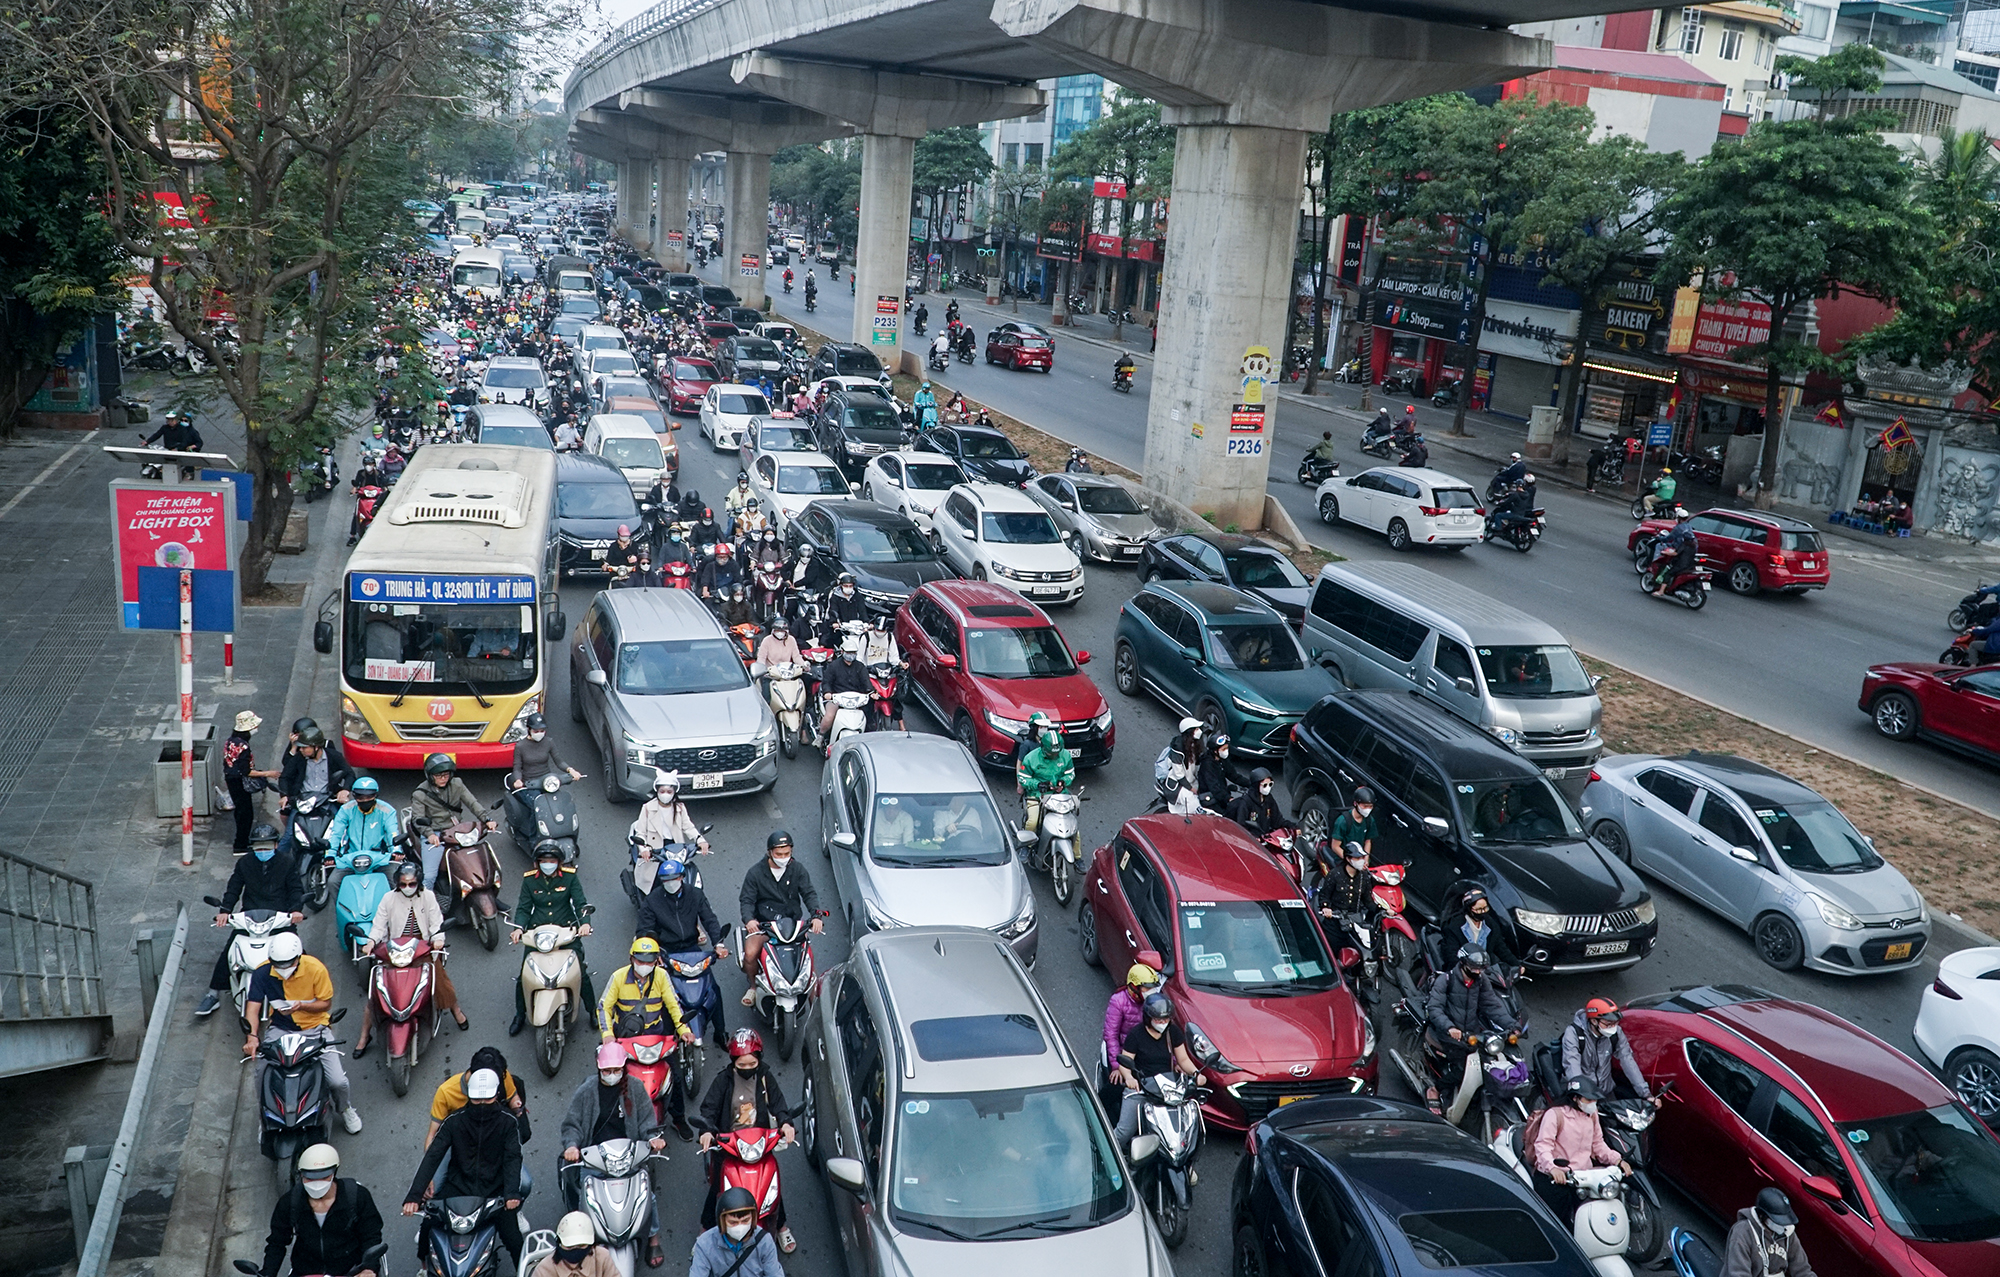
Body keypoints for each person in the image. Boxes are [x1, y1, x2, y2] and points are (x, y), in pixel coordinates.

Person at [403, 1067, 525, 1267]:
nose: (482, 1104)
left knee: (514, 1240)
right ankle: (425, 1267)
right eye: (477, 1100)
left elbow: (513, 1158)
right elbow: (433, 1155)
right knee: (427, 1229)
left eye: (487, 1099)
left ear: (496, 1095)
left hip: (495, 1191)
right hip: (458, 1187)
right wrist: (414, 1196)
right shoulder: (453, 1121)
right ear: (469, 1096)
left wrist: (511, 1193)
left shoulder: (508, 1122)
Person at [561, 1042, 668, 1267]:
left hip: (629, 1154)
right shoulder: (586, 1090)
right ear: (598, 1069)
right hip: (595, 1157)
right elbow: (572, 1124)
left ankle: (653, 1237)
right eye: (607, 1071)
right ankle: (585, 1240)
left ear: (624, 1068)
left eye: (616, 1070)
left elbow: (648, 1123)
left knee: (647, 1196)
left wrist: (652, 1140)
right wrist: (572, 1146)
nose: (612, 1075)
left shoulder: (636, 1088)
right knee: (586, 1198)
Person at [244, 932, 362, 1133]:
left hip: (315, 1029)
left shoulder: (315, 969)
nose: (282, 969)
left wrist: (300, 1007)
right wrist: (252, 1037)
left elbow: (325, 1004)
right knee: (261, 1074)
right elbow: (253, 1008)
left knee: (337, 1080)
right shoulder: (262, 972)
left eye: (287, 964)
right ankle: (266, 1116)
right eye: (277, 964)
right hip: (280, 1030)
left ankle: (344, 1108)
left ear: (298, 958)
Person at [353, 862, 468, 1058]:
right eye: (403, 884)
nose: (407, 888)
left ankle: (456, 1011)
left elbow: (435, 922)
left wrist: (437, 940)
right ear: (398, 883)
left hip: (421, 951)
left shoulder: (428, 897)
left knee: (441, 982)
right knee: (377, 994)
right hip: (394, 951)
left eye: (412, 884)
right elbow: (379, 924)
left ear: (419, 883)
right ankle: (364, 1036)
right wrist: (371, 941)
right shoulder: (388, 899)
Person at [696, 1029, 797, 1250]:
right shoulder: (723, 1080)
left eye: (752, 1064)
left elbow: (779, 1104)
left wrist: (786, 1123)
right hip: (730, 1145)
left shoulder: (765, 1077)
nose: (747, 1069)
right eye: (741, 1066)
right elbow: (709, 1109)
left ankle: (780, 1227)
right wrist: (706, 1131)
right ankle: (705, 1231)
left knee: (771, 1187)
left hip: (760, 1143)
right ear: (733, 1063)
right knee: (718, 1189)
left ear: (759, 1061)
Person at [196, 824, 306, 1017]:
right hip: (250, 916)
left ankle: (304, 993)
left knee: (299, 954)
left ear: (276, 845)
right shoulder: (245, 863)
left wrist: (296, 911)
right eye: (258, 847)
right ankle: (213, 994)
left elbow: (296, 889)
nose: (263, 851)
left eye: (267, 846)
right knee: (230, 951)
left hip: (279, 918)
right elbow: (234, 888)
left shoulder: (287, 862)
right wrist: (225, 911)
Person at [258, 1143, 382, 1277]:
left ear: (334, 1172)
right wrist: (268, 1273)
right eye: (310, 1178)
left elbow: (371, 1235)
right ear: (301, 1175)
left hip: (350, 1270)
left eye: (324, 1177)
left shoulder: (357, 1196)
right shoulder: (289, 1202)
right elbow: (277, 1242)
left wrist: (369, 1268)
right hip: (307, 1270)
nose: (317, 1183)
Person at [509, 848, 597, 1036]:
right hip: (538, 933)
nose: (547, 864)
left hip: (565, 930)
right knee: (524, 974)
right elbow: (524, 908)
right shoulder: (530, 880)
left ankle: (593, 1011)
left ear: (559, 862)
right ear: (537, 863)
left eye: (551, 861)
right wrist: (518, 928)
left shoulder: (570, 877)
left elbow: (581, 903)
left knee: (580, 971)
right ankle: (520, 1014)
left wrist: (585, 925)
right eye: (543, 861)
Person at [1422, 946, 1514, 1116]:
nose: (1478, 972)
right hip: (1448, 1033)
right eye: (1474, 968)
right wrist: (1450, 1027)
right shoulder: (1446, 980)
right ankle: (1435, 1089)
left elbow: (1492, 1006)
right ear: (1463, 963)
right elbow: (1435, 1008)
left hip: (1471, 1033)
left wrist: (1511, 1025)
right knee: (1464, 1066)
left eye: (1481, 969)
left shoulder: (1481, 981)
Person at [736, 831, 821, 1005]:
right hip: (765, 926)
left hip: (792, 925)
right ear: (769, 853)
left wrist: (816, 916)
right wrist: (750, 920)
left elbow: (809, 894)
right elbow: (747, 900)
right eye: (779, 854)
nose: (783, 858)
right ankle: (753, 986)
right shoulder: (755, 873)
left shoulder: (797, 869)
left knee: (807, 957)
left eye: (787, 854)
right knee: (750, 955)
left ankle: (813, 994)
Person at [1530, 1076, 1628, 1225]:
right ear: (1575, 1098)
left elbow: (1598, 1144)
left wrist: (1617, 1160)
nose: (1592, 1104)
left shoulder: (1592, 1115)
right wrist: (1553, 1168)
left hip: (1584, 1177)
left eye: (1594, 1100)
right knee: (1556, 1223)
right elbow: (1543, 1145)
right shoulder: (1555, 1115)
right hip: (1558, 1177)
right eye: (1588, 1100)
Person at [1112, 993, 1201, 1149]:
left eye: (1166, 1019)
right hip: (1141, 1088)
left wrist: (1196, 1074)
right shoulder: (1136, 1034)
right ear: (1148, 1018)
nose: (1163, 1023)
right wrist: (1129, 1078)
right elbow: (1126, 1062)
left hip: (1167, 1089)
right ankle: (1106, 1157)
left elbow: (1184, 1060)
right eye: (1159, 1020)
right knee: (1124, 1132)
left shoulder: (1172, 1032)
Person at [408, 753, 499, 893]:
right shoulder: (420, 794)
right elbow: (417, 819)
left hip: (457, 830)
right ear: (430, 775)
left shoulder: (457, 784)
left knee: (479, 860)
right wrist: (430, 834)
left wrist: (487, 819)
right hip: (436, 833)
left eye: (446, 774)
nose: (443, 778)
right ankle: (426, 904)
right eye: (438, 775)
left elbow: (472, 803)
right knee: (430, 876)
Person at [275, 727, 352, 870]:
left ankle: (346, 862)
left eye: (305, 748)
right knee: (289, 835)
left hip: (327, 801)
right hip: (303, 802)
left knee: (344, 830)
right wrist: (285, 795)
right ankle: (274, 867)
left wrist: (345, 790)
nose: (302, 750)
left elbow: (349, 774)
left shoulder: (334, 756)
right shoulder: (299, 759)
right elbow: (285, 777)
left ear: (316, 747)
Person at [426, 1046, 528, 1150]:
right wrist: (431, 1161)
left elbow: (513, 1097)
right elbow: (433, 1135)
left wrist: (516, 1106)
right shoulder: (446, 1092)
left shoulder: (502, 1076)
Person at [1560, 997, 1656, 1106]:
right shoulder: (1573, 1034)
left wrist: (1646, 1094)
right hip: (1583, 1094)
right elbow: (1572, 1064)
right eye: (1608, 1024)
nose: (1613, 1027)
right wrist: (1581, 1094)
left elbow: (1627, 1060)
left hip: (1605, 1092)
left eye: (1615, 1023)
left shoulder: (1616, 1033)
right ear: (1594, 1021)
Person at [631, 771, 709, 895]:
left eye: (669, 792)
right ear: (657, 791)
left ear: (674, 793)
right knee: (652, 885)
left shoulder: (679, 808)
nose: (665, 795)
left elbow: (688, 827)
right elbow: (640, 832)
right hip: (655, 850)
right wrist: (644, 849)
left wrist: (700, 840)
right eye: (662, 791)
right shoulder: (647, 808)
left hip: (675, 848)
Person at [689, 1185, 784, 1277]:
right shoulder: (705, 1244)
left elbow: (774, 1273)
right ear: (722, 1222)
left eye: (745, 1221)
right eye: (733, 1222)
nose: (740, 1226)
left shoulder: (764, 1241)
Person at [507, 712, 582, 828]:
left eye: (542, 730)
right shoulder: (521, 746)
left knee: (559, 804)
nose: (539, 733)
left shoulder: (549, 742)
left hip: (547, 781)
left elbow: (559, 761)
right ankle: (534, 838)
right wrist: (518, 780)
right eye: (536, 731)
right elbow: (517, 767)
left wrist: (571, 771)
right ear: (529, 729)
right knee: (536, 807)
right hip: (530, 784)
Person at [323, 778, 399, 889]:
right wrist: (330, 854)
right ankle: (339, 907)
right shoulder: (346, 810)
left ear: (375, 795)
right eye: (360, 797)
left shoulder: (387, 810)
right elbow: (336, 833)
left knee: (395, 881)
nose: (365, 800)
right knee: (333, 882)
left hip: (379, 858)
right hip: (351, 858)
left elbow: (393, 832)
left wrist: (396, 851)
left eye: (369, 797)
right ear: (354, 796)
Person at [1721, 1188, 1817, 1277]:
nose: (1783, 1226)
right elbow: (1739, 1273)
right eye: (1778, 1221)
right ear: (1762, 1216)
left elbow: (1803, 1270)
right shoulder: (1742, 1232)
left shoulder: (1787, 1232)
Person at [222, 711, 281, 854]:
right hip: (239, 782)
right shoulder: (244, 747)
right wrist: (267, 773)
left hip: (231, 780)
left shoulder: (231, 741)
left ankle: (241, 840)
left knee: (241, 811)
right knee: (246, 814)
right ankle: (240, 844)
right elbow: (246, 771)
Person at [1102, 958, 1163, 1086]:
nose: (1151, 992)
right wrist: (1117, 1066)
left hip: (1145, 1052)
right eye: (1147, 988)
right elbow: (1111, 1035)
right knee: (1115, 1087)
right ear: (1134, 987)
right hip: (1124, 1053)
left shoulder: (1154, 1002)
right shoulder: (1118, 1001)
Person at [1016, 723, 1076, 837]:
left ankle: (1076, 855)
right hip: (1037, 795)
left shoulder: (1066, 755)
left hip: (1059, 796)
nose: (1054, 756)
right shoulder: (1031, 758)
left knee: (1072, 827)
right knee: (1032, 822)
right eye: (1050, 754)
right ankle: (1027, 846)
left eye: (1056, 754)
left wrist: (1063, 782)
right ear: (1043, 748)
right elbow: (1023, 778)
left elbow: (1070, 774)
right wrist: (1038, 785)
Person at [815, 637, 871, 748]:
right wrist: (828, 692)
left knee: (868, 715)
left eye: (854, 653)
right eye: (849, 652)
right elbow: (827, 682)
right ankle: (820, 736)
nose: (851, 655)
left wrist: (871, 692)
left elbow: (866, 682)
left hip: (855, 700)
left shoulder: (860, 667)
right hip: (837, 699)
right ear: (842, 652)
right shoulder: (833, 666)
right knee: (829, 716)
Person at [534, 1211, 620, 1277]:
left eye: (581, 1246)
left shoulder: (602, 1258)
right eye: (569, 1247)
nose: (575, 1250)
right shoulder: (543, 1271)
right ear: (559, 1243)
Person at [1228, 766, 1285, 838]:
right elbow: (1241, 826)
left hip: (1266, 839)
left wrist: (1293, 827)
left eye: (1270, 784)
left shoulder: (1269, 799)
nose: (1268, 788)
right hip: (1253, 841)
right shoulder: (1246, 802)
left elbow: (1277, 820)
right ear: (1256, 785)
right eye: (1265, 785)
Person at [1193, 733, 1234, 812]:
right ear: (1215, 751)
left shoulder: (1222, 760)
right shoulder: (1207, 765)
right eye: (1223, 749)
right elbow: (1214, 787)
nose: (1226, 751)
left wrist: (1251, 783)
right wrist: (1228, 798)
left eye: (1227, 748)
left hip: (1221, 794)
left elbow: (1233, 775)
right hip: (1210, 798)